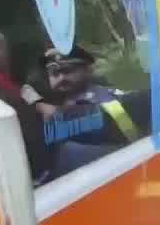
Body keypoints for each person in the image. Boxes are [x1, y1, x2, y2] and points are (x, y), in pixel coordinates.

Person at [23, 44, 149, 178]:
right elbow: (25, 89)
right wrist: (38, 103)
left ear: (88, 69)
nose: (61, 78)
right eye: (54, 73)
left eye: (68, 70)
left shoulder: (106, 103)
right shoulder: (49, 102)